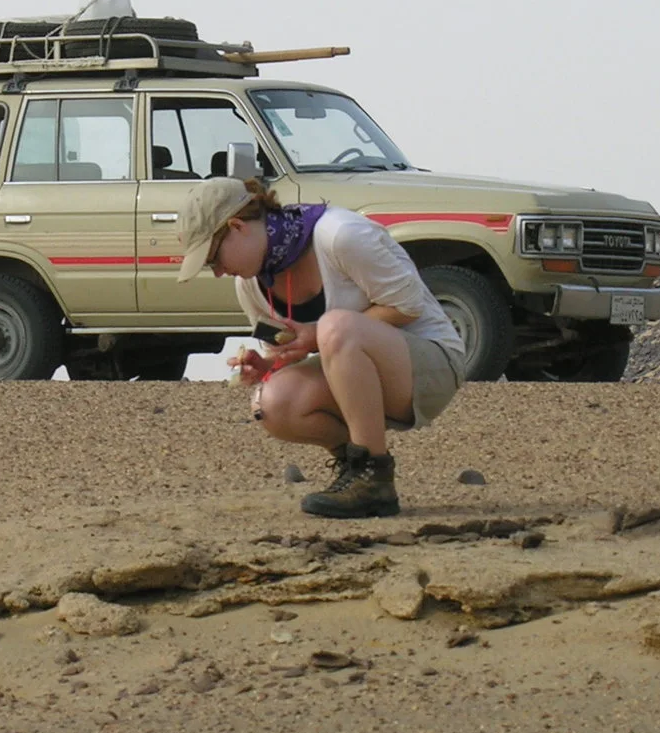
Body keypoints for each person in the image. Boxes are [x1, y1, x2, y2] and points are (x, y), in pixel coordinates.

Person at [175, 175, 466, 518]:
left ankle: (373, 478)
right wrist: (269, 368)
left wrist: (316, 335)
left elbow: (408, 305)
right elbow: (294, 352)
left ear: (237, 226)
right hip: (364, 374)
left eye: (213, 259)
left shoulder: (341, 235)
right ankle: (352, 468)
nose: (219, 272)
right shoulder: (251, 285)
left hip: (431, 367)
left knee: (335, 325)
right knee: (272, 402)